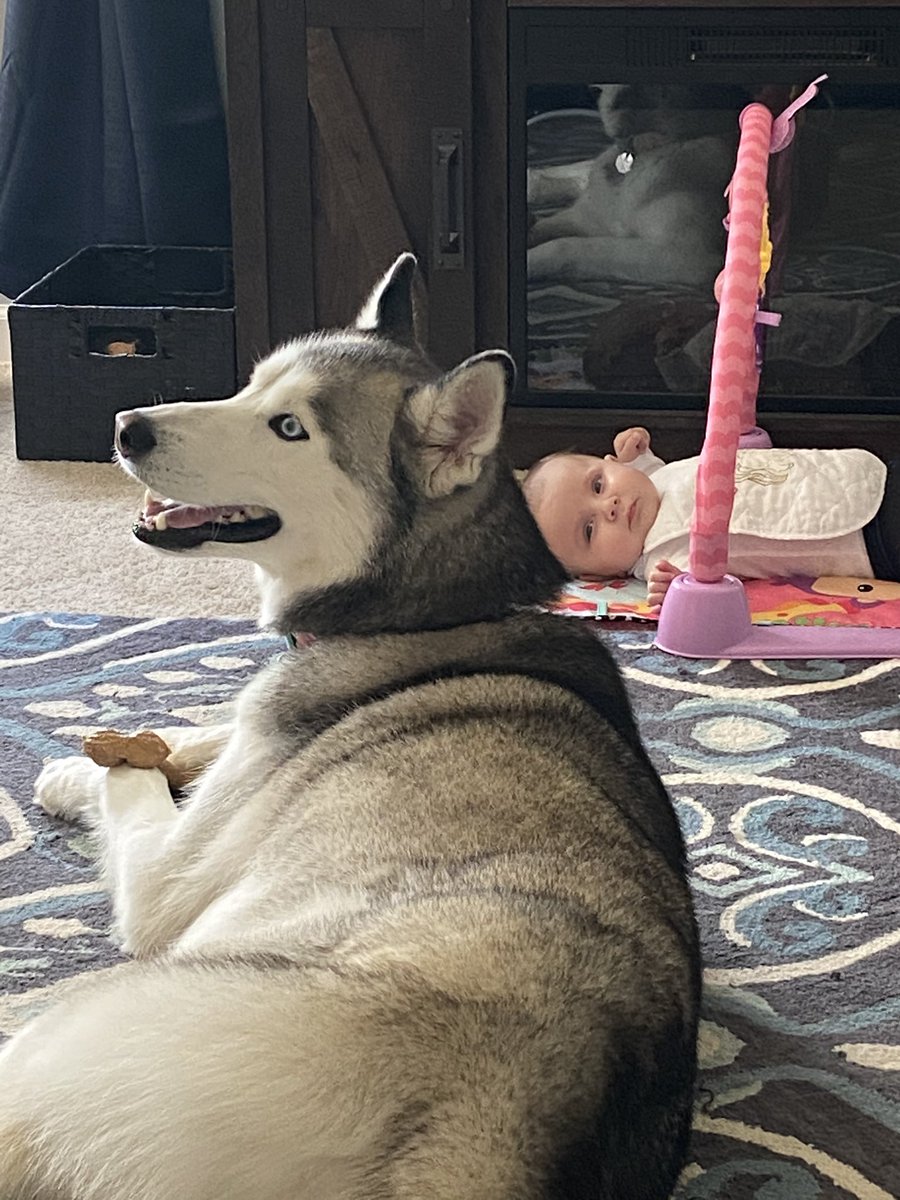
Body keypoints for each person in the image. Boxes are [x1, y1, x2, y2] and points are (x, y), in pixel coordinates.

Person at [521, 427, 900, 607]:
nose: (609, 507)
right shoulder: (660, 558)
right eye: (590, 530)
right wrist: (679, 593)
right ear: (597, 574)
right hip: (866, 541)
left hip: (859, 476)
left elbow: (660, 477)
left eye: (598, 484)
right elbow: (705, 588)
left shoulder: (652, 480)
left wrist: (639, 454)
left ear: (608, 462)